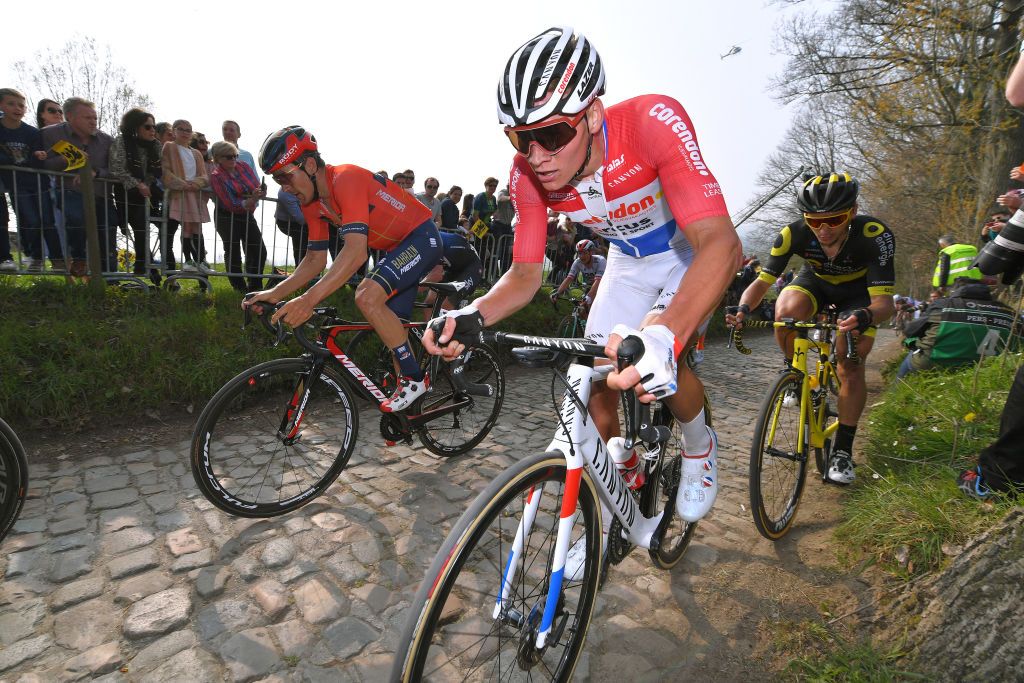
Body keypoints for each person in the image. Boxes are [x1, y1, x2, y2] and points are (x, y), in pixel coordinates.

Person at [425, 27, 740, 537]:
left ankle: (700, 443)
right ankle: (600, 504)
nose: (538, 155)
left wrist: (665, 333)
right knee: (594, 380)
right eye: (520, 138)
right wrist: (472, 314)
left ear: (593, 115)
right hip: (629, 263)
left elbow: (722, 245)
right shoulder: (526, 175)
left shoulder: (651, 123)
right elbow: (525, 274)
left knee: (660, 356)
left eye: (552, 135)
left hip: (685, 253)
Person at [248, 126, 443, 412]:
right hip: (394, 249)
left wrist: (308, 300)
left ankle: (414, 380)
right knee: (392, 329)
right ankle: (411, 414)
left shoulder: (346, 179)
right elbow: (314, 260)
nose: (283, 187)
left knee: (366, 295)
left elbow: (355, 252)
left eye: (284, 176)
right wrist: (274, 293)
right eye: (277, 180)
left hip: (420, 237)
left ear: (310, 165)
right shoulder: (313, 203)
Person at [727, 172, 896, 485]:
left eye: (835, 219)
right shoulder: (793, 234)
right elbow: (761, 284)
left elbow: (885, 305)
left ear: (853, 212)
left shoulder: (874, 235)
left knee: (849, 363)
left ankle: (843, 451)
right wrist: (742, 309)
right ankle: (795, 374)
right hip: (815, 283)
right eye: (814, 221)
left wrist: (865, 316)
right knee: (785, 312)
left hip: (859, 294)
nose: (824, 228)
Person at [41, 96, 116, 276]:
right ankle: (79, 258)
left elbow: (116, 171)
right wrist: (66, 159)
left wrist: (95, 173)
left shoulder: (107, 140)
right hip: (68, 191)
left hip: (101, 195)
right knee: (76, 217)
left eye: (95, 118)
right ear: (70, 117)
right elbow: (41, 164)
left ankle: (111, 278)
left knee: (108, 230)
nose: (93, 122)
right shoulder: (49, 134)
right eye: (87, 118)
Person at [896, 276, 1015, 379]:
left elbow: (910, 331)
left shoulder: (943, 304)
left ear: (956, 291)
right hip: (985, 367)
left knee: (910, 359)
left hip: (934, 362)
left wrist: (910, 343)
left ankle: (895, 395)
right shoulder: (1008, 311)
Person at [0, 87, 64, 272]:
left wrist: (38, 156)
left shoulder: (31, 133)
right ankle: (35, 256)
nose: (17, 108)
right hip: (16, 184)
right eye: (11, 104)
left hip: (38, 183)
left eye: (21, 105)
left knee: (47, 220)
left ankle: (57, 260)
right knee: (30, 220)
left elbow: (36, 157)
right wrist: (13, 160)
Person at [109, 107, 162, 284]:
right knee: (139, 227)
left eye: (153, 126)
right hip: (125, 193)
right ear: (135, 127)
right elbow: (116, 168)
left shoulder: (155, 146)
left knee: (147, 228)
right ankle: (147, 267)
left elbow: (154, 170)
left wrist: (146, 183)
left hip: (147, 193)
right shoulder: (122, 142)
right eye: (147, 127)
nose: (152, 130)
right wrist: (137, 184)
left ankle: (147, 266)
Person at [208, 141, 268, 293]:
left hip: (246, 214)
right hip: (226, 217)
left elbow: (254, 185)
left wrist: (260, 191)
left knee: (259, 250)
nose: (233, 159)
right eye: (229, 157)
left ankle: (255, 284)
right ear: (218, 158)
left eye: (235, 155)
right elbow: (231, 203)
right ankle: (239, 288)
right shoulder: (216, 176)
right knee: (233, 251)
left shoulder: (244, 166)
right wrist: (252, 199)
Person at [161, 120, 210, 272]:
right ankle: (188, 260)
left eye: (188, 130)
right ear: (174, 131)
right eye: (181, 129)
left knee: (196, 227)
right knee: (186, 227)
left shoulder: (196, 153)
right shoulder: (169, 147)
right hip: (180, 193)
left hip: (193, 193)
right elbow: (165, 170)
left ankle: (201, 261)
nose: (184, 132)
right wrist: (181, 184)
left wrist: (195, 184)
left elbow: (204, 175)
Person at [421, 229, 483, 315]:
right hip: (452, 268)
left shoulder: (433, 243)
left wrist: (412, 290)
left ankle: (451, 326)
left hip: (471, 268)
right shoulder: (425, 238)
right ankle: (431, 328)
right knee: (429, 304)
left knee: (445, 306)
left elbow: (436, 275)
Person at [549, 238, 606, 306]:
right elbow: (569, 278)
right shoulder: (577, 262)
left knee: (592, 306)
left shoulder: (600, 260)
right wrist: (557, 293)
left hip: (604, 287)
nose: (581, 256)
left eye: (584, 253)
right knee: (582, 309)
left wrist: (589, 297)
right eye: (579, 253)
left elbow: (598, 281)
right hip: (590, 287)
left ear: (591, 252)